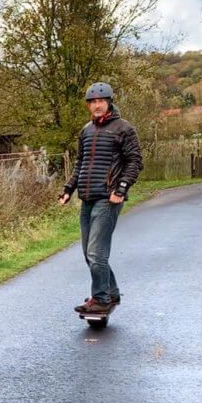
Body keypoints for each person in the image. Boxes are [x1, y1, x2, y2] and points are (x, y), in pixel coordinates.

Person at [58, 82, 143, 314]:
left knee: (97, 253)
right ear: (89, 105)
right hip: (87, 197)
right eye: (92, 102)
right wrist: (68, 189)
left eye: (101, 101)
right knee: (89, 253)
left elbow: (135, 162)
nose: (97, 105)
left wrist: (121, 189)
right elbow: (80, 164)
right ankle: (111, 291)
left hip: (108, 198)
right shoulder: (86, 131)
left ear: (109, 103)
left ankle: (101, 299)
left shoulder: (124, 129)